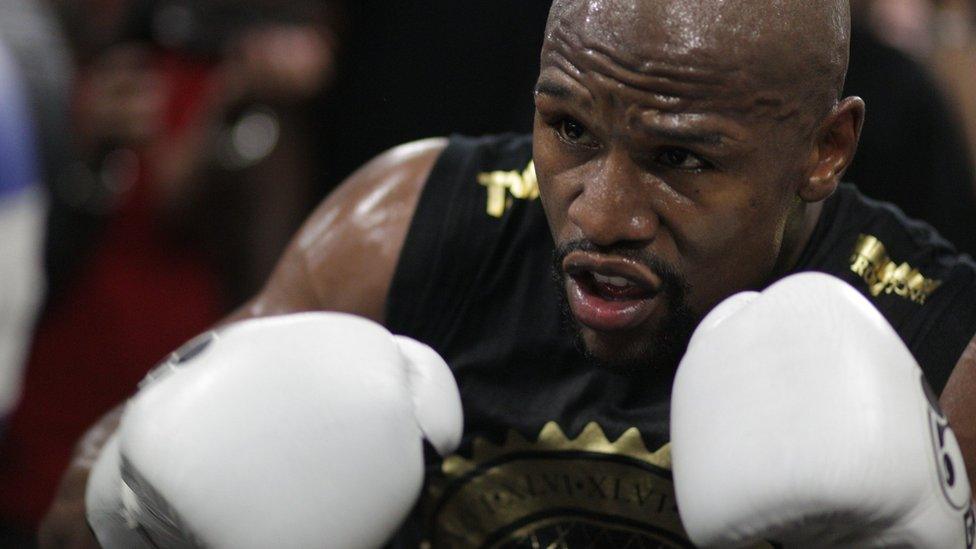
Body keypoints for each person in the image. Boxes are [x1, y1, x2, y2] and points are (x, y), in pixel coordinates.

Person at [41, 0, 976, 547]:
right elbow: (70, 501)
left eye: (681, 159)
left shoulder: (936, 345)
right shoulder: (410, 228)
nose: (600, 214)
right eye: (569, 129)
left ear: (825, 148)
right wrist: (139, 504)